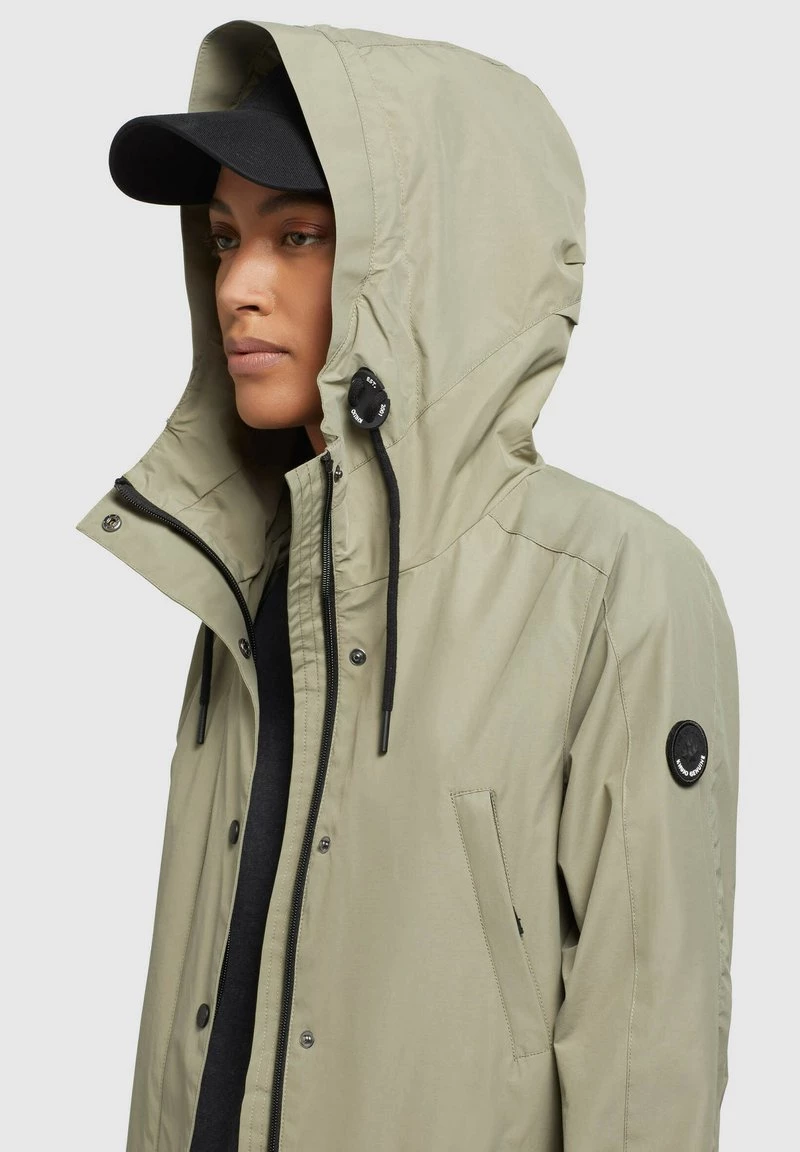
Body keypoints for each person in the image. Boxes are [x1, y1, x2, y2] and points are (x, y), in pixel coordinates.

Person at [75, 18, 739, 1152]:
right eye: (225, 238)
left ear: (434, 267)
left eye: (298, 236)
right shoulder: (247, 578)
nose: (238, 286)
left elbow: (648, 1072)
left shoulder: (611, 590)